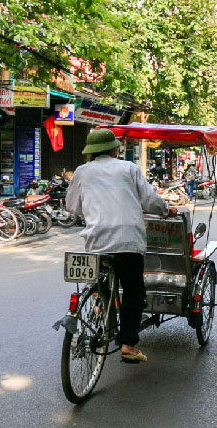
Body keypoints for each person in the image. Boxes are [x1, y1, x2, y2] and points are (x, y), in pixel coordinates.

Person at [66, 128, 168, 364]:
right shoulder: (128, 168)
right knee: (133, 292)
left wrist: (94, 212)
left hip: (96, 241)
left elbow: (73, 206)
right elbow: (150, 201)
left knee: (100, 284)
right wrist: (166, 210)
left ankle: (100, 311)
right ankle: (128, 344)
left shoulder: (82, 172)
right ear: (113, 149)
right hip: (127, 241)